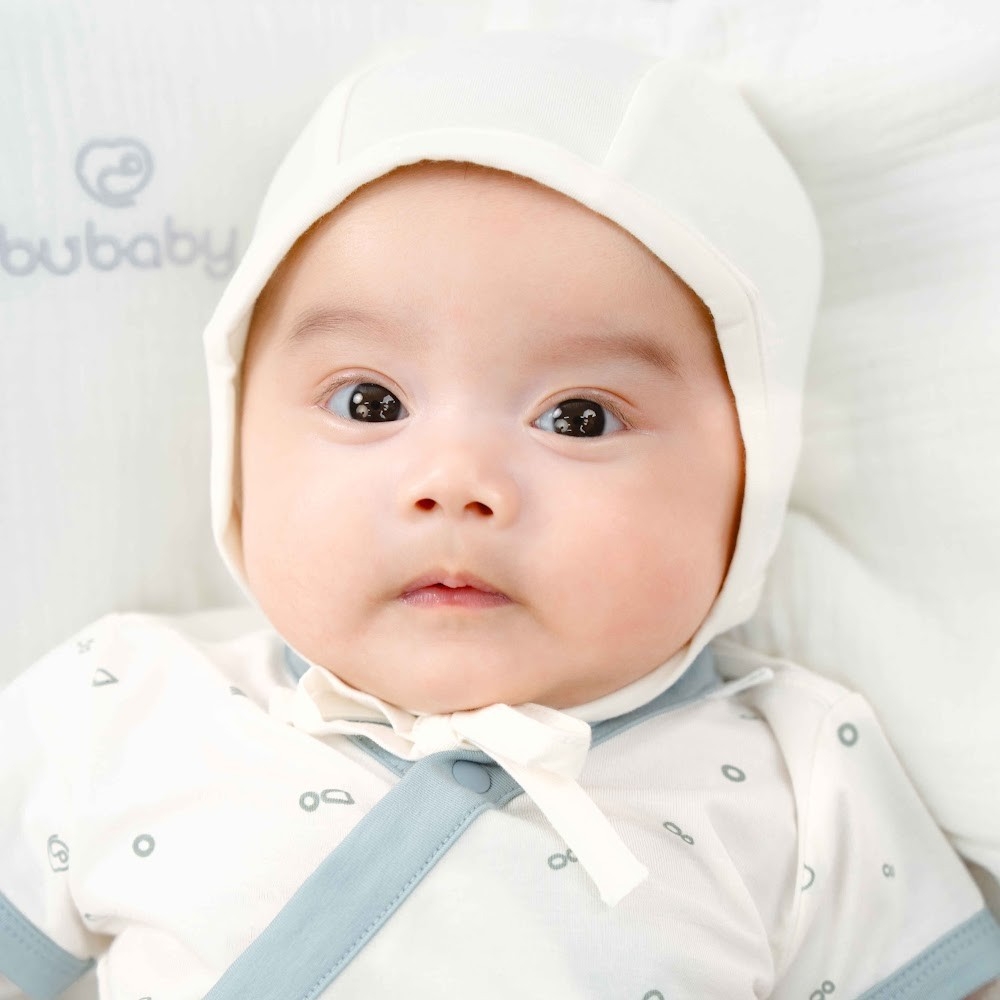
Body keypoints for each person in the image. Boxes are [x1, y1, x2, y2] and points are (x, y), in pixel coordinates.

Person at [2, 31, 998, 1000]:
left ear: (753, 475)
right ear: (238, 440)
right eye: (370, 403)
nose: (455, 482)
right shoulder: (119, 705)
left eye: (579, 418)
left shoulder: (805, 780)